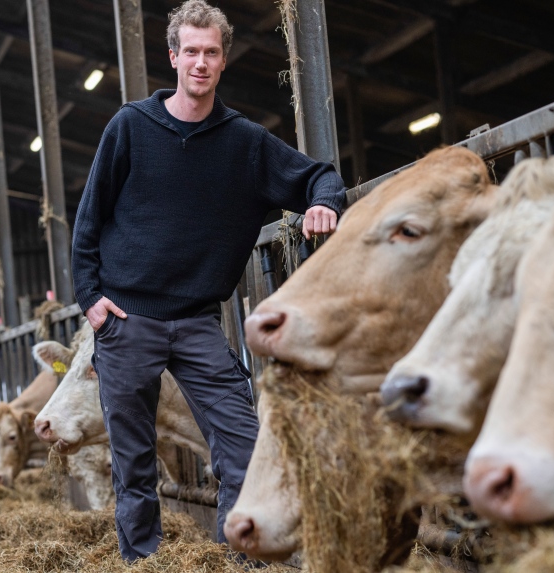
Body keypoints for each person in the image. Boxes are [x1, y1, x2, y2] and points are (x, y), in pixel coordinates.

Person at [71, 0, 346, 562]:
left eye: (211, 53)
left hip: (196, 321)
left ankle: (239, 559)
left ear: (224, 61)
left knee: (242, 444)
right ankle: (143, 561)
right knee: (135, 465)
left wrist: (322, 204)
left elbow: (318, 174)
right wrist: (91, 300)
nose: (200, 62)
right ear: (173, 57)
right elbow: (89, 218)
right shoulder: (130, 126)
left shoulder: (243, 142)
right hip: (127, 320)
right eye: (190, 51)